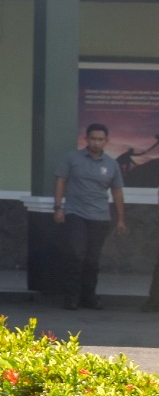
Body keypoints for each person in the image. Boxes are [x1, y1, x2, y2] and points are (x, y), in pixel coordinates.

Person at [53, 123, 128, 310]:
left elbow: (117, 192)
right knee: (76, 254)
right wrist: (57, 207)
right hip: (75, 213)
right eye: (93, 139)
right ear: (86, 139)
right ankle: (71, 297)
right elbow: (61, 181)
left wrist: (120, 219)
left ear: (106, 141)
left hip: (100, 217)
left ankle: (89, 297)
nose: (96, 142)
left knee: (92, 259)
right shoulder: (72, 158)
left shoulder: (112, 164)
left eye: (100, 139)